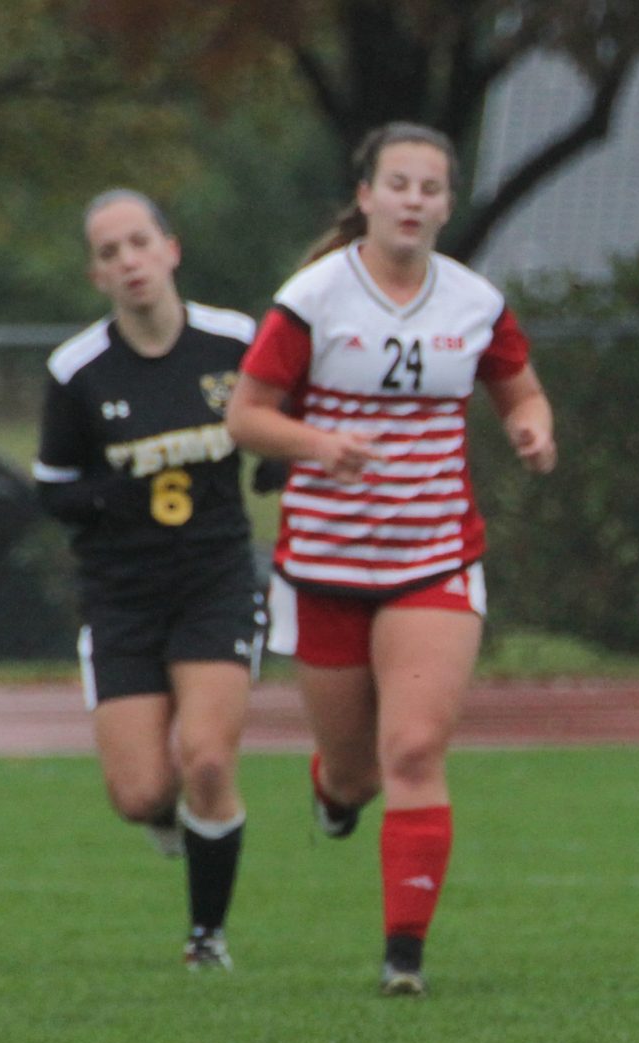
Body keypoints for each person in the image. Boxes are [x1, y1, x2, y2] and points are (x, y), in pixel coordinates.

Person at [224, 123, 556, 998]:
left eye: (430, 187)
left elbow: (517, 383)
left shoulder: (475, 302)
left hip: (433, 558)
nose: (414, 200)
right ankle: (334, 795)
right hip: (326, 568)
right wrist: (317, 443)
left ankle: (403, 957)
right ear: (366, 196)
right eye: (397, 184)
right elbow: (246, 416)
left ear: (449, 204)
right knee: (356, 772)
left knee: (412, 750)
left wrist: (532, 425)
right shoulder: (314, 297)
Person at [34, 189, 270, 970]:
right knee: (139, 796)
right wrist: (111, 491)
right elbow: (52, 486)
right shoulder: (77, 370)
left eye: (139, 242)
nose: (128, 260)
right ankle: (174, 825)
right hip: (122, 593)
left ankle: (207, 938)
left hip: (215, 580)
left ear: (171, 248)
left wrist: (287, 463)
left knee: (207, 758)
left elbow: (279, 429)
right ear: (97, 274)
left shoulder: (234, 341)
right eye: (109, 252)